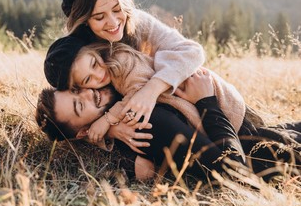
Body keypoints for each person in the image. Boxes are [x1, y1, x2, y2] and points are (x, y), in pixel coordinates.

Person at [35, 75, 301, 182]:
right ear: (83, 132)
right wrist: (205, 101)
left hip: (278, 135)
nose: (89, 92)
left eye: (76, 90)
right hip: (287, 159)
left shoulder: (127, 92)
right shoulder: (146, 124)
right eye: (80, 107)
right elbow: (233, 172)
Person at [44, 0, 206, 131]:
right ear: (84, 21)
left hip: (178, 99)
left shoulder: (136, 21)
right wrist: (113, 130)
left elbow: (193, 52)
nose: (113, 22)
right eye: (99, 17)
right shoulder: (77, 52)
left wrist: (150, 90)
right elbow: (70, 112)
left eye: (116, 9)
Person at [61, 36, 245, 145]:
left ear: (96, 53)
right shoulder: (110, 76)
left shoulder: (121, 60)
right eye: (88, 79)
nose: (98, 75)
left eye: (94, 64)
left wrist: (107, 119)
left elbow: (139, 94)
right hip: (202, 106)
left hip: (215, 101)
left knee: (252, 145)